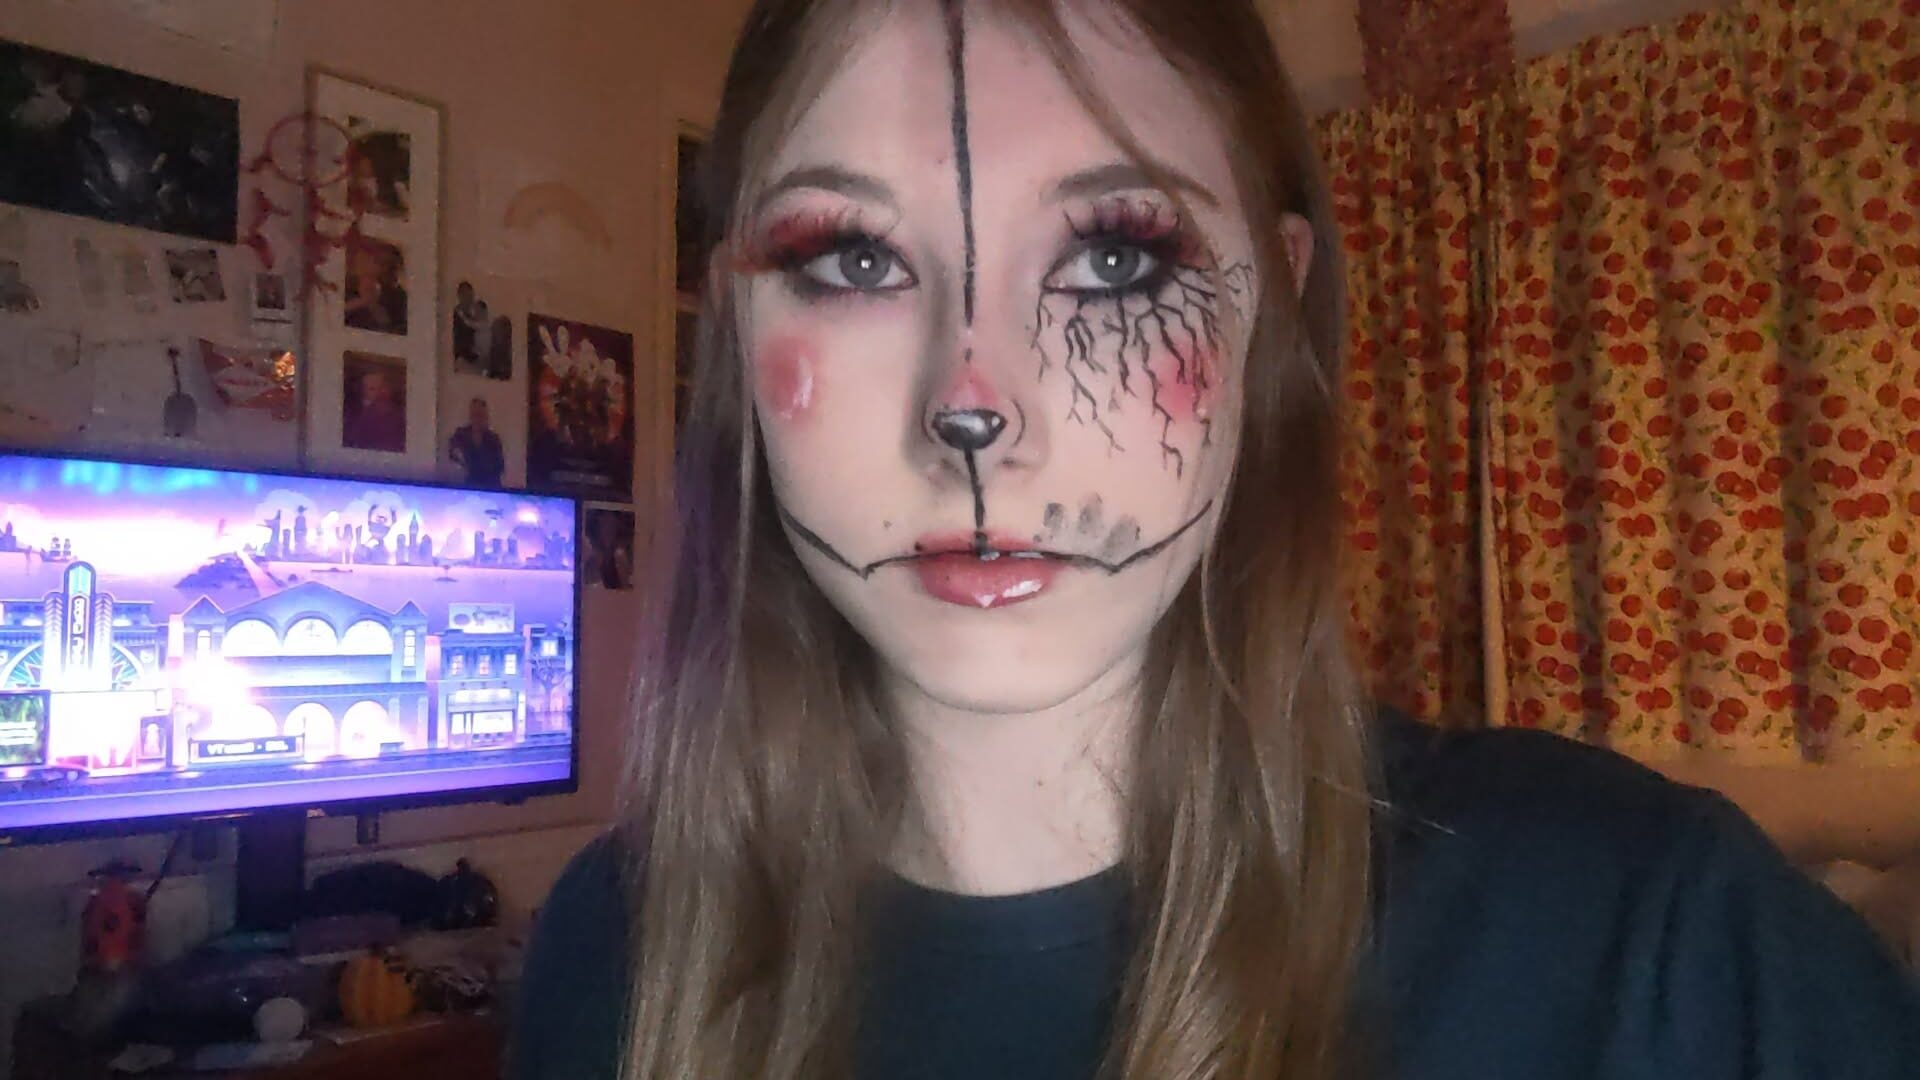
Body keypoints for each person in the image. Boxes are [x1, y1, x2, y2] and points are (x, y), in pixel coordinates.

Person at [511, 2, 1920, 1079]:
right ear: (735, 320)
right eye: (855, 258)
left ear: (1268, 313)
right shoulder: (608, 951)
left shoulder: (1654, 944)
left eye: (1116, 259)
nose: (972, 409)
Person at [341, 365, 405, 453]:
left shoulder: (398, 416)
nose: (380, 392)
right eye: (372, 389)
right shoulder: (351, 413)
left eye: (382, 387)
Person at [448, 396, 507, 487]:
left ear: (485, 416)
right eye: (474, 414)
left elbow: (500, 467)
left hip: (489, 486)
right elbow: (453, 458)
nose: (477, 418)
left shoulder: (493, 439)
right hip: (466, 485)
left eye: (480, 415)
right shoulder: (460, 435)